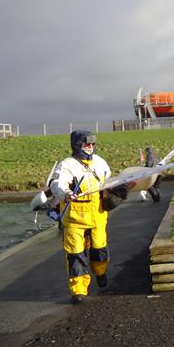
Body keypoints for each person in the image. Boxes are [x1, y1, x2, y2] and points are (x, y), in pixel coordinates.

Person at [50, 130, 125, 304]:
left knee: (99, 249)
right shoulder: (67, 165)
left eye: (92, 144)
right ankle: (79, 290)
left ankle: (100, 272)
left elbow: (109, 180)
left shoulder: (100, 162)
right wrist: (66, 193)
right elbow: (56, 184)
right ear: (77, 145)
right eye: (86, 144)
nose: (90, 147)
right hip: (74, 219)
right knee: (75, 254)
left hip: (98, 216)